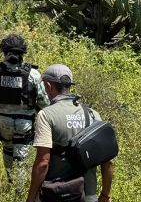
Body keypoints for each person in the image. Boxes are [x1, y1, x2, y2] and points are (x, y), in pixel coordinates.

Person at [26, 64, 114, 202]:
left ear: (49, 86)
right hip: (88, 196)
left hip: (56, 195)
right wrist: (105, 195)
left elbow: (43, 162)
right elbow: (107, 162)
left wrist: (31, 198)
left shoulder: (46, 115)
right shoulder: (93, 114)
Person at [0, 34, 49, 184]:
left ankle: (11, 181)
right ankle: (18, 192)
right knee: (21, 158)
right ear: (22, 53)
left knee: (8, 150)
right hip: (25, 123)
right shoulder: (33, 74)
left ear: (4, 52)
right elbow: (44, 101)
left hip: (2, 121)